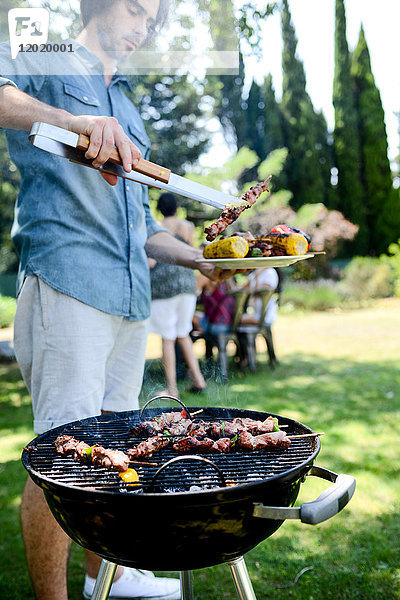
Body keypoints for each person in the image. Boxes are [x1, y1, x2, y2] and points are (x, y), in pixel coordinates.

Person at [0, 1, 219, 599]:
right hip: (67, 280)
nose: (144, 25)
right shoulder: (44, 55)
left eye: (152, 18)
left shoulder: (127, 106)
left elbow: (141, 226)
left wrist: (202, 259)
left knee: (112, 448)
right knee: (61, 453)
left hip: (129, 297)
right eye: (135, 9)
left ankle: (110, 577)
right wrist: (75, 123)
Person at [148, 193, 206, 397]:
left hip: (164, 288)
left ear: (160, 208)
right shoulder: (188, 226)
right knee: (183, 332)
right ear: (177, 207)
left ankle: (172, 389)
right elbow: (189, 253)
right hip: (187, 285)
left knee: (168, 337)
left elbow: (151, 263)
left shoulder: (156, 227)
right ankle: (198, 379)